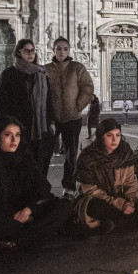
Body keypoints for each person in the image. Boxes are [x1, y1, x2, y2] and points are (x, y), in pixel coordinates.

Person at [0, 117, 70, 251]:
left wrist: (29, 210)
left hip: (28, 213)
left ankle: (14, 242)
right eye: (8, 135)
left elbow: (43, 188)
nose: (14, 140)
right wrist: (14, 215)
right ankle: (32, 236)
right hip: (3, 217)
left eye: (17, 135)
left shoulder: (25, 158)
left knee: (64, 206)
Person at [74, 119, 138, 232]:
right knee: (94, 206)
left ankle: (113, 224)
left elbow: (130, 181)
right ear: (100, 136)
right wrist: (119, 203)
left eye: (118, 135)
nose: (114, 140)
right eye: (109, 135)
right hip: (102, 199)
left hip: (124, 196)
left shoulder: (125, 153)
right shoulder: (88, 158)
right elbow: (91, 191)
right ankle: (129, 222)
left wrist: (131, 200)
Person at [0, 39, 53, 176]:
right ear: (18, 52)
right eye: (26, 51)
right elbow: (2, 102)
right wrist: (5, 125)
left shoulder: (41, 74)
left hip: (40, 128)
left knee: (40, 162)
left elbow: (48, 100)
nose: (30, 54)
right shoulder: (9, 74)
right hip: (18, 126)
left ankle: (38, 192)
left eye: (32, 50)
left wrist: (51, 121)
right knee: (19, 163)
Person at [45, 38, 94, 194]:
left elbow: (88, 87)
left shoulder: (76, 68)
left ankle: (69, 186)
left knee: (71, 154)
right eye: (59, 48)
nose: (62, 52)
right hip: (52, 119)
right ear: (53, 49)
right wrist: (47, 115)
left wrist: (78, 106)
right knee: (44, 154)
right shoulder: (45, 69)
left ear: (69, 50)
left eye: (65, 49)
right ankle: (41, 186)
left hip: (72, 118)